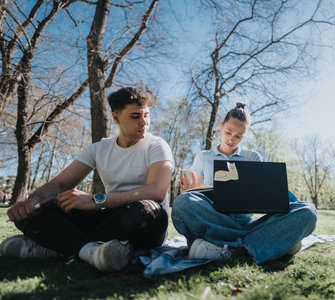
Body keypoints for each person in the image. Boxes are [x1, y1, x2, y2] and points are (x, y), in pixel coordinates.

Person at [0, 87, 173, 272]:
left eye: (147, 115)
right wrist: (32, 202)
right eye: (135, 116)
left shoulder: (157, 146)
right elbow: (60, 184)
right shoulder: (99, 149)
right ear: (116, 118)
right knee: (34, 210)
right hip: (110, 217)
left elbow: (156, 191)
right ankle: (88, 251)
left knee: (143, 210)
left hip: (146, 220)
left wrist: (96, 200)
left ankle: (60, 247)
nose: (144, 122)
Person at [172, 102, 318, 264]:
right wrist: (192, 192)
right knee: (183, 202)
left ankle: (232, 250)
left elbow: (263, 196)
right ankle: (268, 243)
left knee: (309, 211)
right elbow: (196, 194)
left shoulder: (253, 157)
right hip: (215, 222)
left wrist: (282, 197)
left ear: (245, 134)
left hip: (247, 225)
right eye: (228, 132)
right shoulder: (203, 156)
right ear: (221, 126)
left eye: (238, 136)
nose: (231, 139)